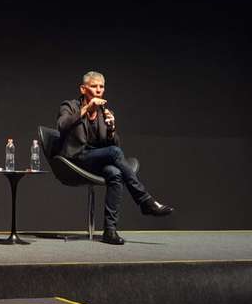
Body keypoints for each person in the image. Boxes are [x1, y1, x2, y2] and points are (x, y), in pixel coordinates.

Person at [56, 71, 174, 245]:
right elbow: (61, 125)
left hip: (95, 159)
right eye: (94, 86)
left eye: (101, 87)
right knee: (115, 154)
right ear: (83, 89)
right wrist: (87, 109)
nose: (98, 90)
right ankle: (145, 201)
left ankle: (109, 231)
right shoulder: (70, 106)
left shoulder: (105, 112)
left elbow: (113, 145)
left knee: (115, 173)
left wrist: (111, 128)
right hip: (76, 159)